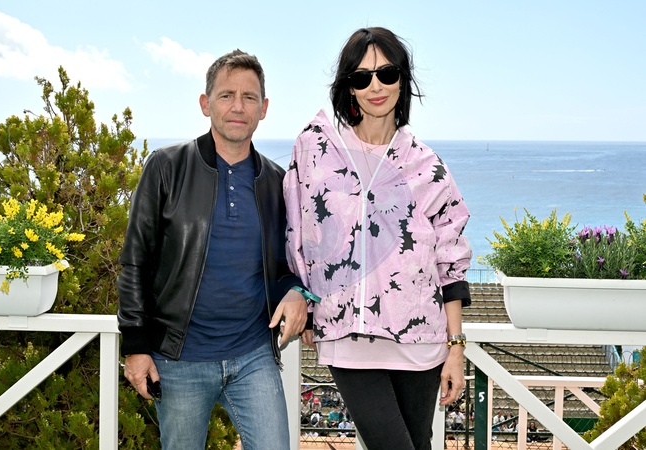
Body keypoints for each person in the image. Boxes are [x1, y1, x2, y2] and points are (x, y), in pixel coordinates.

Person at [284, 27, 472, 450]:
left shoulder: (426, 165)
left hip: (421, 339)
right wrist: (305, 300)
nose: (376, 86)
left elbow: (451, 260)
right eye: (362, 77)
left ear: (402, 80)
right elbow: (297, 232)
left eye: (387, 74)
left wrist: (456, 347)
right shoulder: (315, 150)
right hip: (345, 334)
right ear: (348, 86)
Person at [117, 49, 309, 450]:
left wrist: (296, 291)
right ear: (206, 104)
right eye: (226, 95)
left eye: (249, 97)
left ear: (264, 109)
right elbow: (135, 260)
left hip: (254, 356)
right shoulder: (166, 167)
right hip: (179, 360)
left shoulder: (277, 182)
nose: (238, 107)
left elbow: (282, 263)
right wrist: (135, 346)